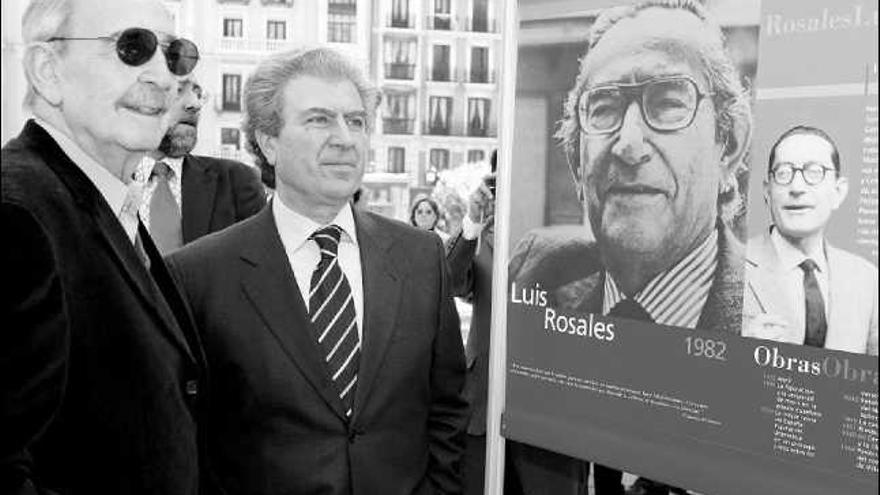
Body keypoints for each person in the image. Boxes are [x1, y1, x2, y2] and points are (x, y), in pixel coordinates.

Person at [164, 47, 468, 494]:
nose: (345, 138)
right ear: (269, 142)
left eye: (357, 121)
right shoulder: (197, 277)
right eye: (319, 120)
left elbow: (446, 412)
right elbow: (185, 440)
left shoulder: (421, 258)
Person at [508, 1, 753, 494]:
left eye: (667, 101)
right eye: (605, 108)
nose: (629, 143)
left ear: (728, 145)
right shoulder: (537, 275)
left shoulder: (792, 321)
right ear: (578, 165)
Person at [1, 0, 206, 493]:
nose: (163, 75)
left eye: (175, 55)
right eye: (132, 47)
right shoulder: (17, 214)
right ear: (48, 71)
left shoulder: (109, 202)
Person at [743, 125, 878, 355]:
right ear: (767, 191)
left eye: (814, 172)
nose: (796, 187)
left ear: (838, 191)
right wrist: (738, 351)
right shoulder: (732, 265)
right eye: (784, 173)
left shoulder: (867, 278)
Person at [447, 150, 522, 495]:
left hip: (546, 404)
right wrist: (473, 223)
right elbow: (449, 280)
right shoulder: (479, 236)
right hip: (483, 402)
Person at [137, 76, 266, 254]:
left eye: (198, 94)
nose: (195, 104)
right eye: (178, 90)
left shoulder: (237, 181)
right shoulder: (100, 185)